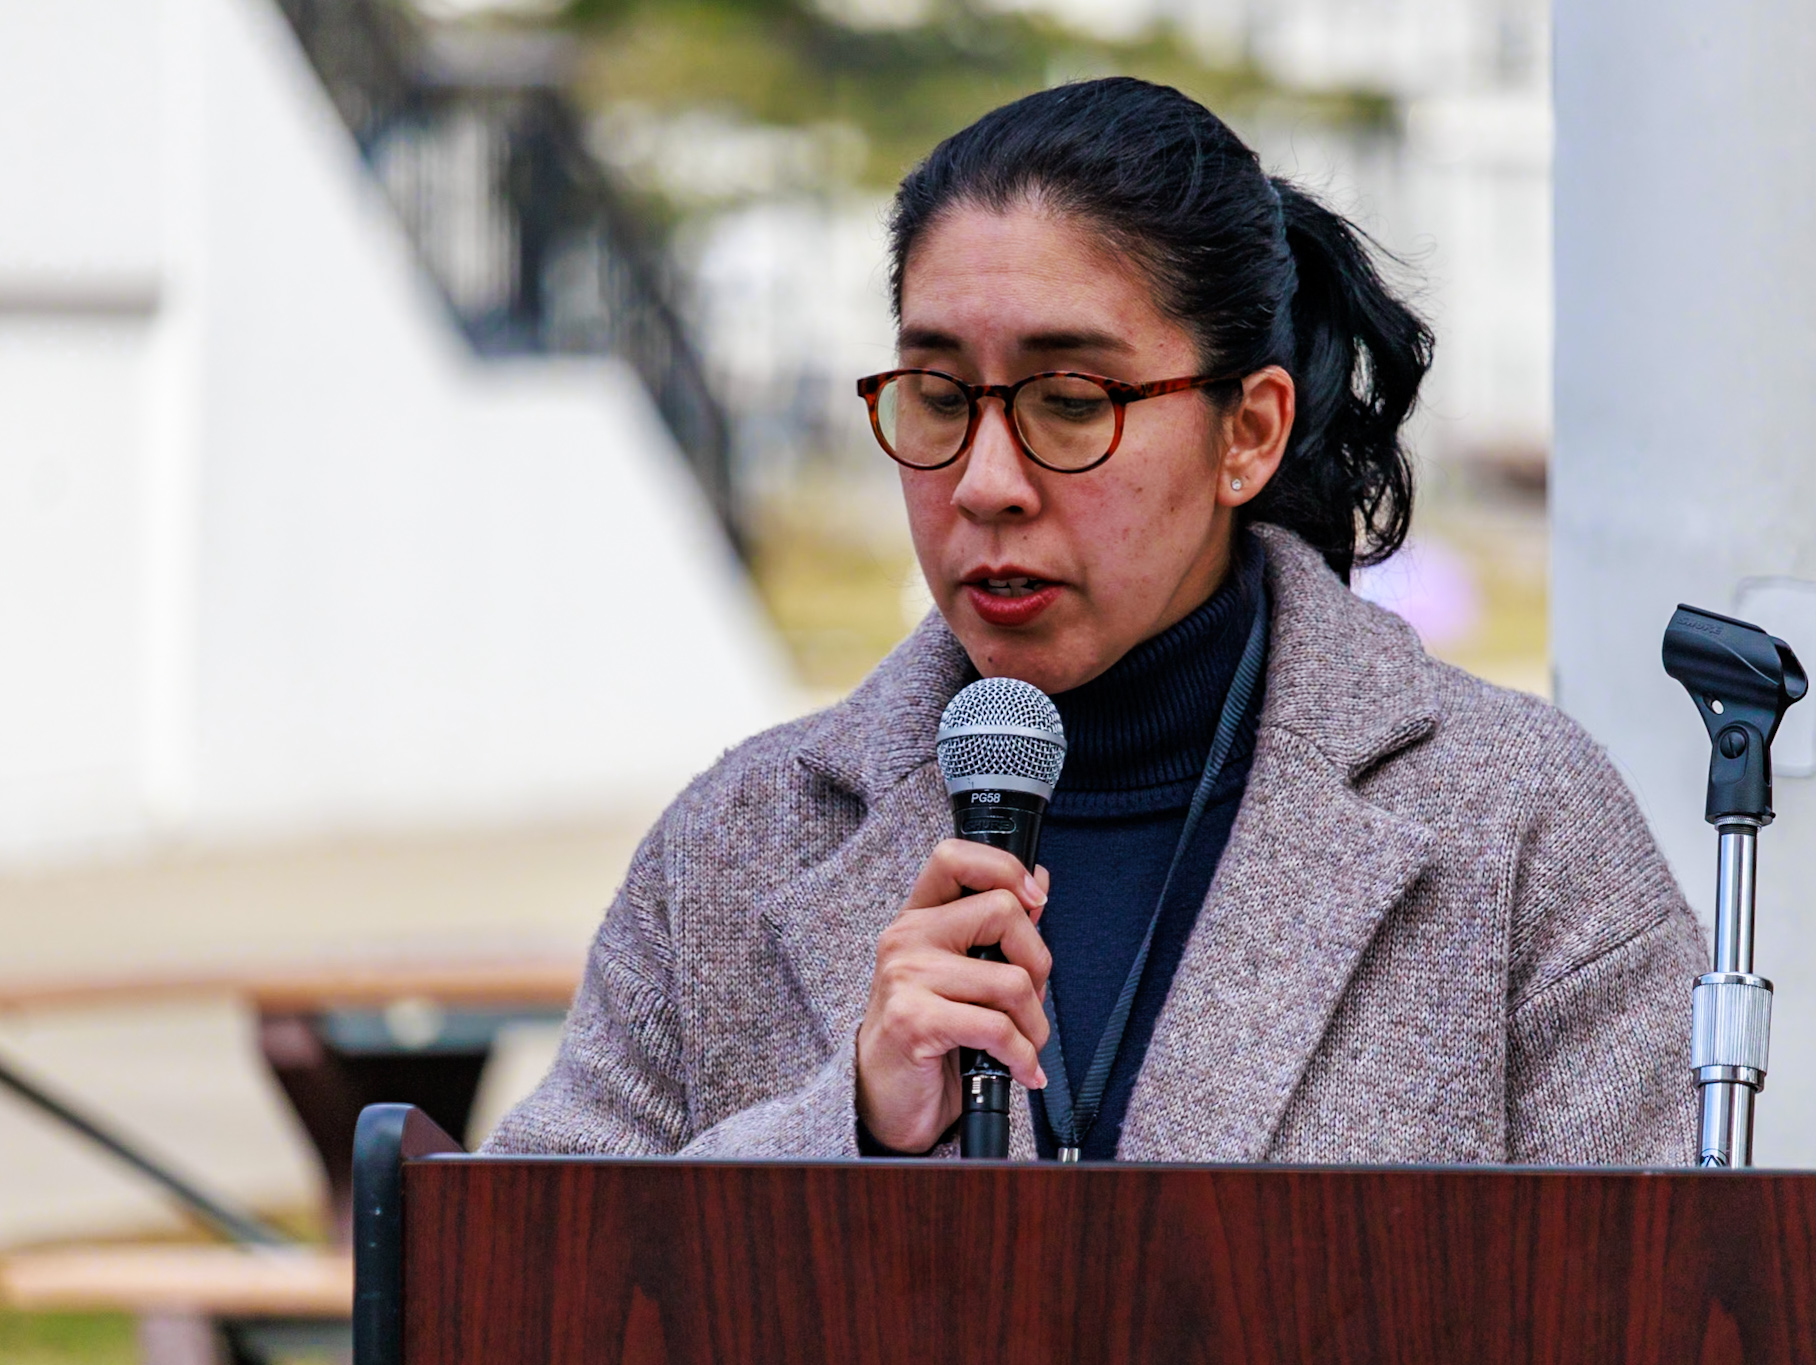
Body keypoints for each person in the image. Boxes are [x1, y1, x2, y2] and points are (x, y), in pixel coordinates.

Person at [487, 77, 1704, 1166]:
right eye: (935, 396)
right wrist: (846, 1129)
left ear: (1248, 432)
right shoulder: (736, 844)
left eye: (1069, 401)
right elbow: (522, 1289)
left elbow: (1664, 1302)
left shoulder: (1517, 826)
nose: (985, 481)